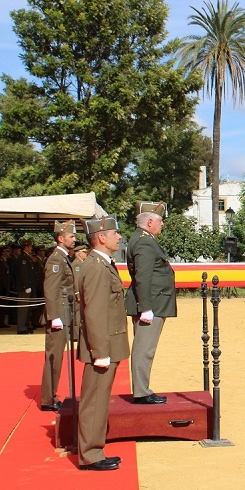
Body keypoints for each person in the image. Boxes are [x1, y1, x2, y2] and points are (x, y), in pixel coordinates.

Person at [76, 216, 129, 471]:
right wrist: (100, 351)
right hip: (102, 346)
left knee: (98, 399)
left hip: (106, 343)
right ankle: (91, 454)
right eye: (114, 233)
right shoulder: (97, 267)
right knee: (95, 401)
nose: (119, 237)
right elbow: (94, 312)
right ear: (101, 237)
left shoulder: (101, 263)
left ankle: (94, 449)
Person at [124, 201, 176, 405]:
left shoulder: (144, 239)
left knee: (145, 348)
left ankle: (142, 389)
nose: (162, 224)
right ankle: (141, 392)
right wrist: (145, 308)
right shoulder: (145, 242)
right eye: (161, 221)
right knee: (144, 349)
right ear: (150, 221)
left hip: (152, 302)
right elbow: (143, 277)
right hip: (150, 304)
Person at [40, 220, 77, 412]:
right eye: (71, 236)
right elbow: (51, 289)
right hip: (59, 314)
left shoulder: (63, 258)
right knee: (54, 357)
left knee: (57, 357)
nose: (74, 239)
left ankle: (51, 394)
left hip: (64, 312)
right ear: (60, 238)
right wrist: (54, 316)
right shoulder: (56, 259)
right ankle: (48, 398)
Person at [15, 240, 40, 334]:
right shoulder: (23, 258)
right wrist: (26, 286)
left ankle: (25, 325)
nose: (31, 248)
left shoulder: (27, 257)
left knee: (27, 309)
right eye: (30, 247)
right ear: (25, 247)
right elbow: (23, 274)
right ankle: (21, 327)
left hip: (29, 287)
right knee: (23, 309)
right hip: (24, 288)